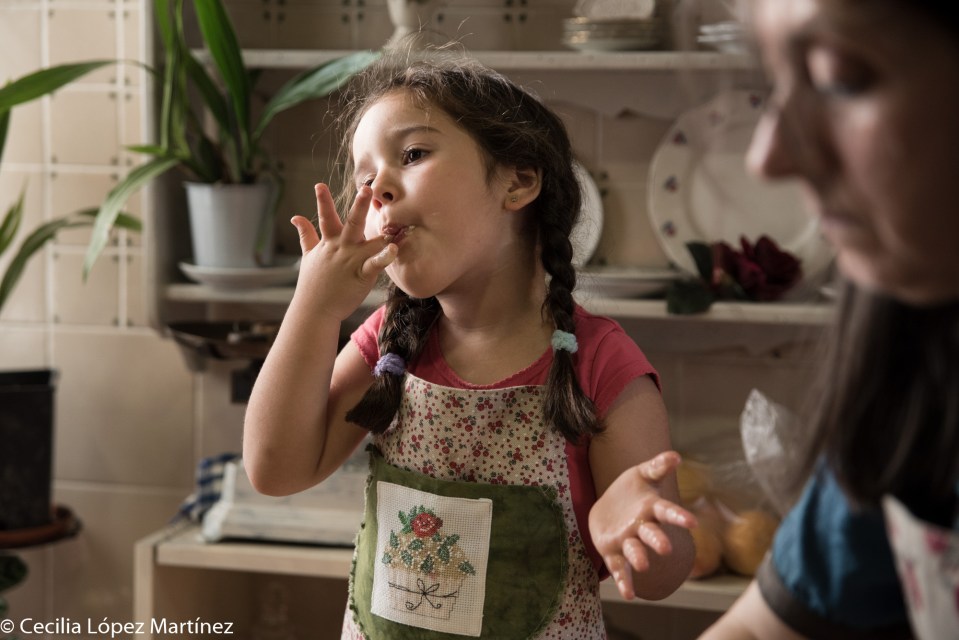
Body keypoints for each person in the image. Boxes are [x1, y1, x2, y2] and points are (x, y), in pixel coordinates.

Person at [243, 48, 696, 639]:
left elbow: (664, 576)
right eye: (364, 175)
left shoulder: (601, 363)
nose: (376, 188)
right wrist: (312, 306)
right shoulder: (389, 339)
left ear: (519, 180)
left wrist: (634, 528)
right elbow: (275, 470)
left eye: (412, 154)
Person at [592, 1, 959, 638]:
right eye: (774, 85)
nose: (769, 155)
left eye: (839, 78)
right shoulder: (915, 387)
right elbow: (763, 628)